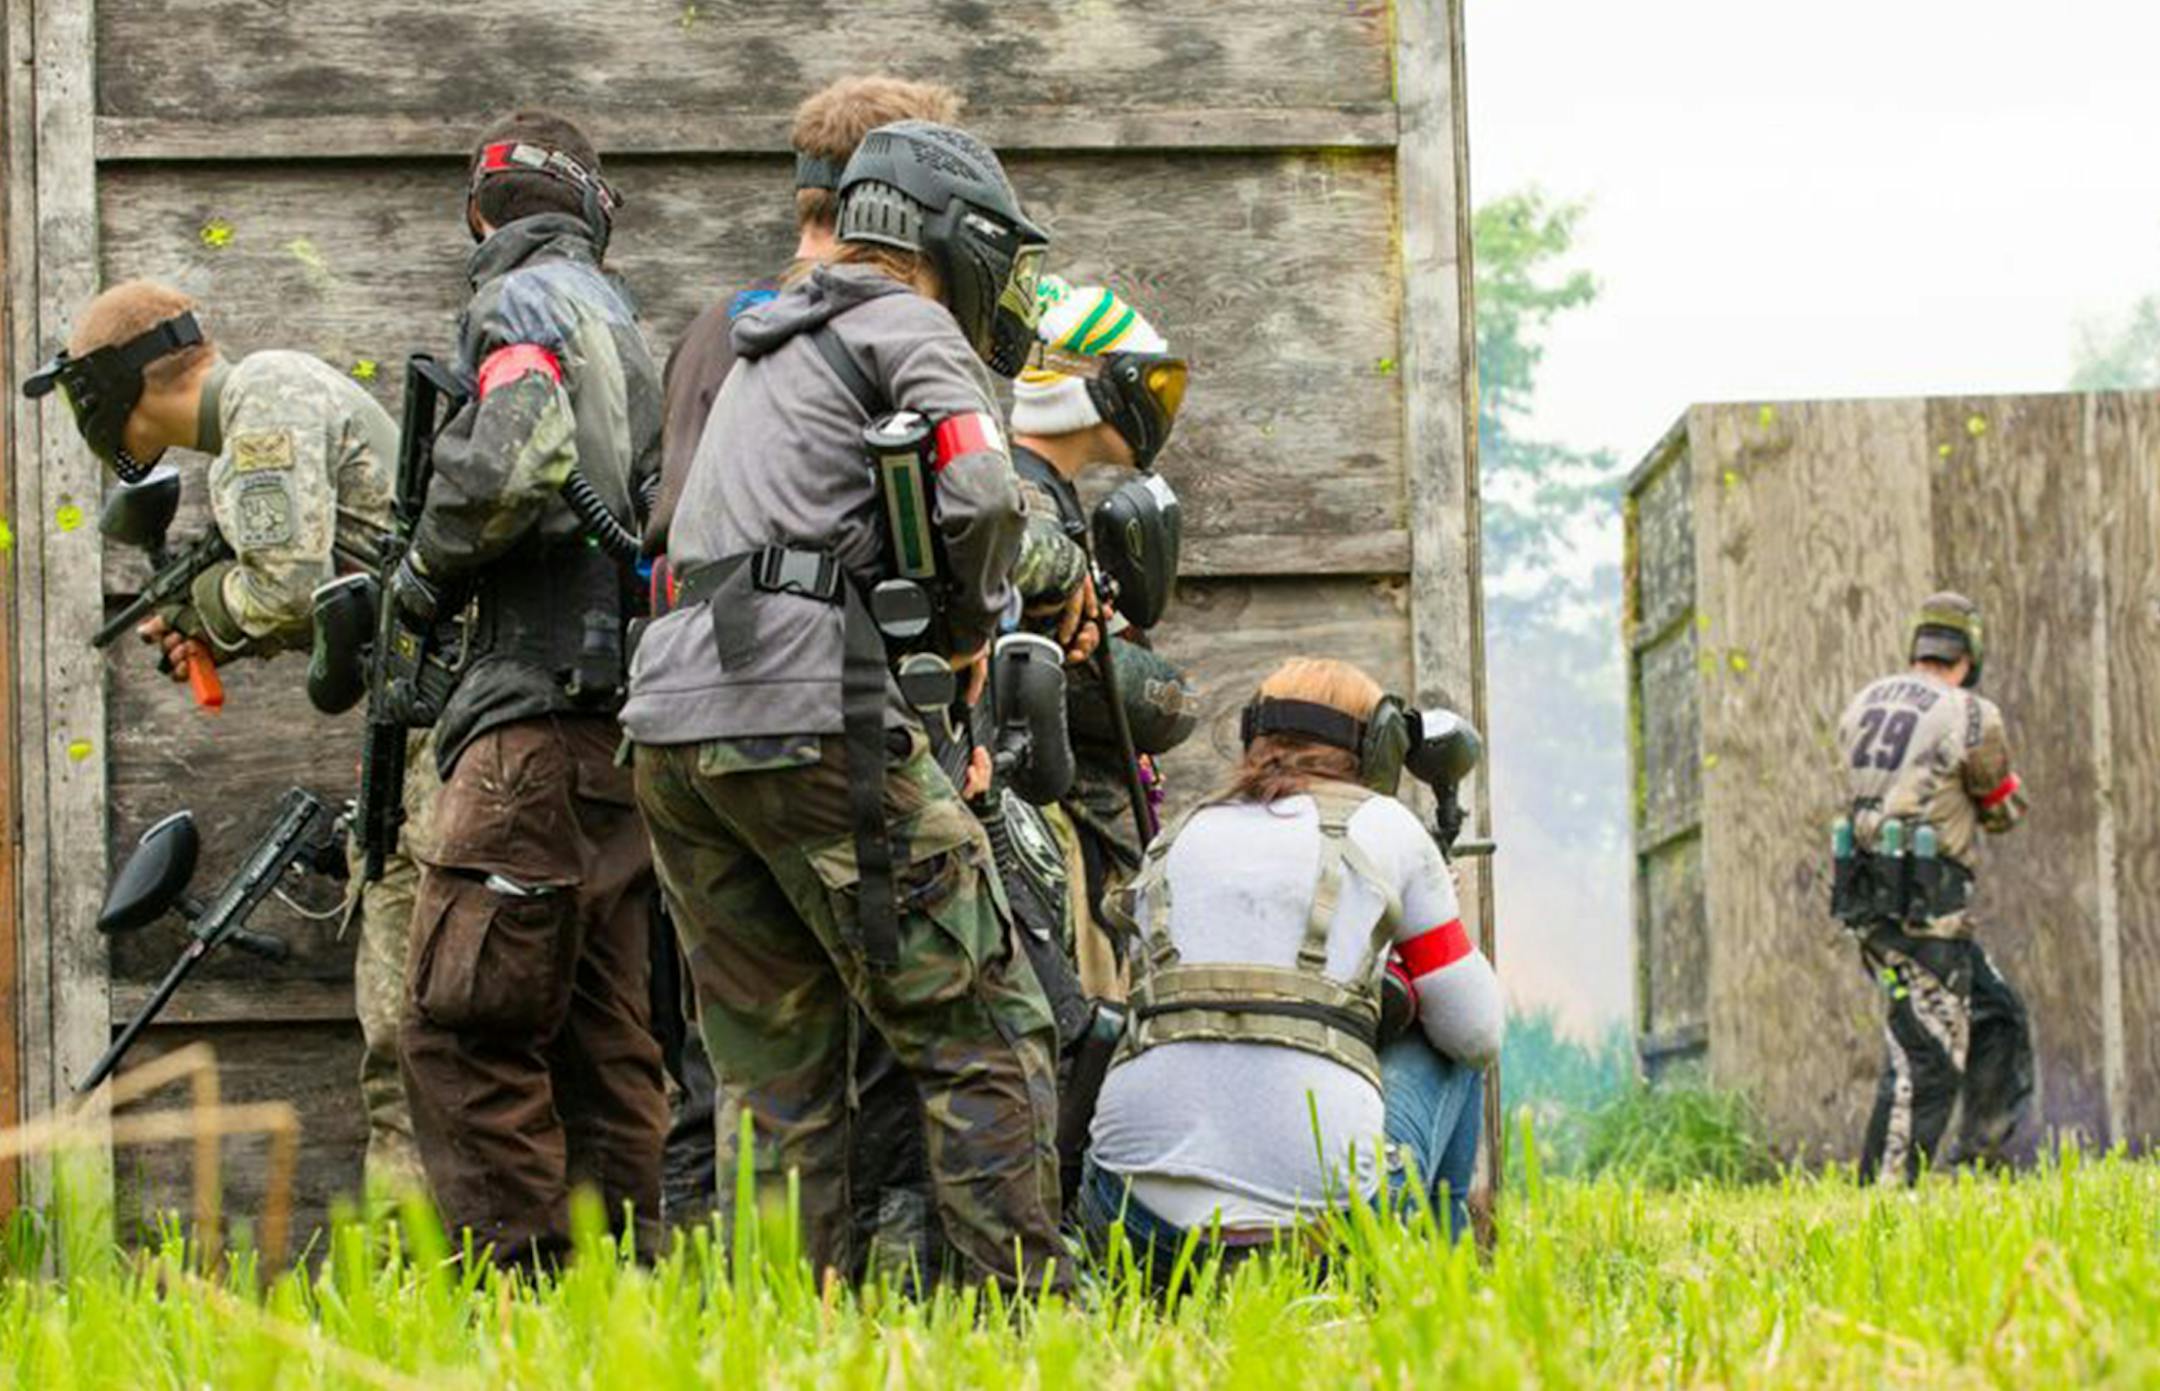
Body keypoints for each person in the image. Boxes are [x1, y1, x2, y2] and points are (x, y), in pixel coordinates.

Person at [622, 119, 1067, 1289]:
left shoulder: (768, 340)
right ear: (945, 239)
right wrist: (971, 634)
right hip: (806, 710)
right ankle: (1030, 1328)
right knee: (984, 1022)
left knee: (773, 1068)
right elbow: (983, 496)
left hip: (671, 724)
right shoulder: (907, 320)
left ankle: (786, 1340)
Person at [20, 280, 433, 1201]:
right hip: (424, 726)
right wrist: (210, 617)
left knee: (404, 1031)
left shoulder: (264, 397)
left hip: (441, 732)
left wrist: (202, 614)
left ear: (113, 388)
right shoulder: (258, 411)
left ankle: (427, 1280)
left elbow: (286, 591)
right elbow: (313, 593)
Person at [643, 73, 966, 1239]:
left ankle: (753, 1308)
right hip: (822, 700)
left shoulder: (722, 329)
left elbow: (661, 518)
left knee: (745, 1054)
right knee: (926, 1025)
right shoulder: (868, 327)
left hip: (683, 716)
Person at [392, 109, 667, 1263]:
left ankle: (519, 1298)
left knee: (463, 1025)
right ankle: (636, 1296)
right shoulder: (625, 323)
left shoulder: (514, 305)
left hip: (523, 730)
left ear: (478, 214)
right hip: (617, 741)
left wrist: (415, 575)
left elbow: (513, 453)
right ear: (595, 210)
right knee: (609, 1037)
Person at [1081, 658, 1503, 1286]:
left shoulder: (1178, 835)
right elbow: (1478, 1032)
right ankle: (1444, 1283)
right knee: (1454, 1049)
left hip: (1135, 1227)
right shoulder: (1389, 827)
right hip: (1322, 1231)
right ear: (1381, 744)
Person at [1008, 276, 1199, 993]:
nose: (1158, 404)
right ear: (1097, 384)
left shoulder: (1046, 505)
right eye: (1149, 382)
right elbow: (1074, 683)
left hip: (1080, 841)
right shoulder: (1023, 509)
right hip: (1055, 841)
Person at [1833, 591, 2032, 1185]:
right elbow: (2002, 809)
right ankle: (1881, 1202)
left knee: (1998, 1015)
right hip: (1928, 910)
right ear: (1968, 652)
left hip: (1870, 899)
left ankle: (1981, 1161)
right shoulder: (1972, 714)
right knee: (1927, 1059)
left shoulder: (1862, 702)